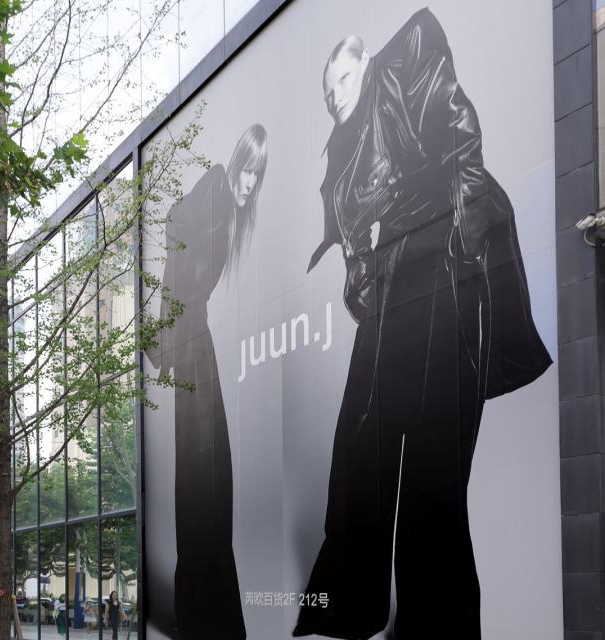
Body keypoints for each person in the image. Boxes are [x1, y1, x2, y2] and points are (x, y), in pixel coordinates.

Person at [294, 9, 552, 640]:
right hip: (397, 277)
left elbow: (461, 135)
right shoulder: (343, 154)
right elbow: (356, 246)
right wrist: (360, 279)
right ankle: (348, 607)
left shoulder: (403, 61)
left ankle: (435, 625)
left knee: (435, 462)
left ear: (366, 67)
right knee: (360, 444)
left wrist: (463, 244)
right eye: (329, 94)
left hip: (448, 246)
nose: (337, 99)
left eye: (343, 82)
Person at [148, 124, 268, 640]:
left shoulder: (229, 207)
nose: (250, 184)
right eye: (249, 170)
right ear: (237, 160)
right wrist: (168, 337)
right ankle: (205, 608)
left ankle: (206, 606)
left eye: (257, 177)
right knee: (205, 475)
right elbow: (177, 223)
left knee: (209, 476)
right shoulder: (218, 187)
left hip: (196, 344)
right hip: (192, 344)